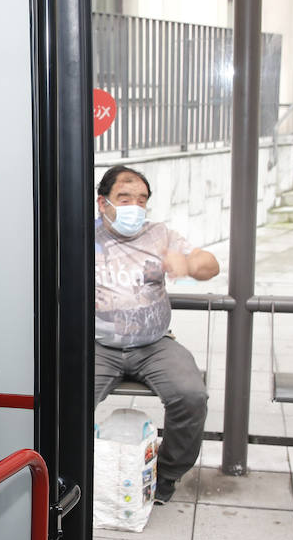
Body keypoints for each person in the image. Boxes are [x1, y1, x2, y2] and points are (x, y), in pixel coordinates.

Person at [93, 164, 219, 505]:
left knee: (191, 396)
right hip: (98, 345)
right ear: (102, 202)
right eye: (125, 197)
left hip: (154, 344)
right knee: (65, 397)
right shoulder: (81, 237)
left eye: (142, 199)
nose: (135, 206)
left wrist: (190, 265)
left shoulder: (160, 235)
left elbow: (209, 263)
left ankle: (165, 476)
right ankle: (76, 470)